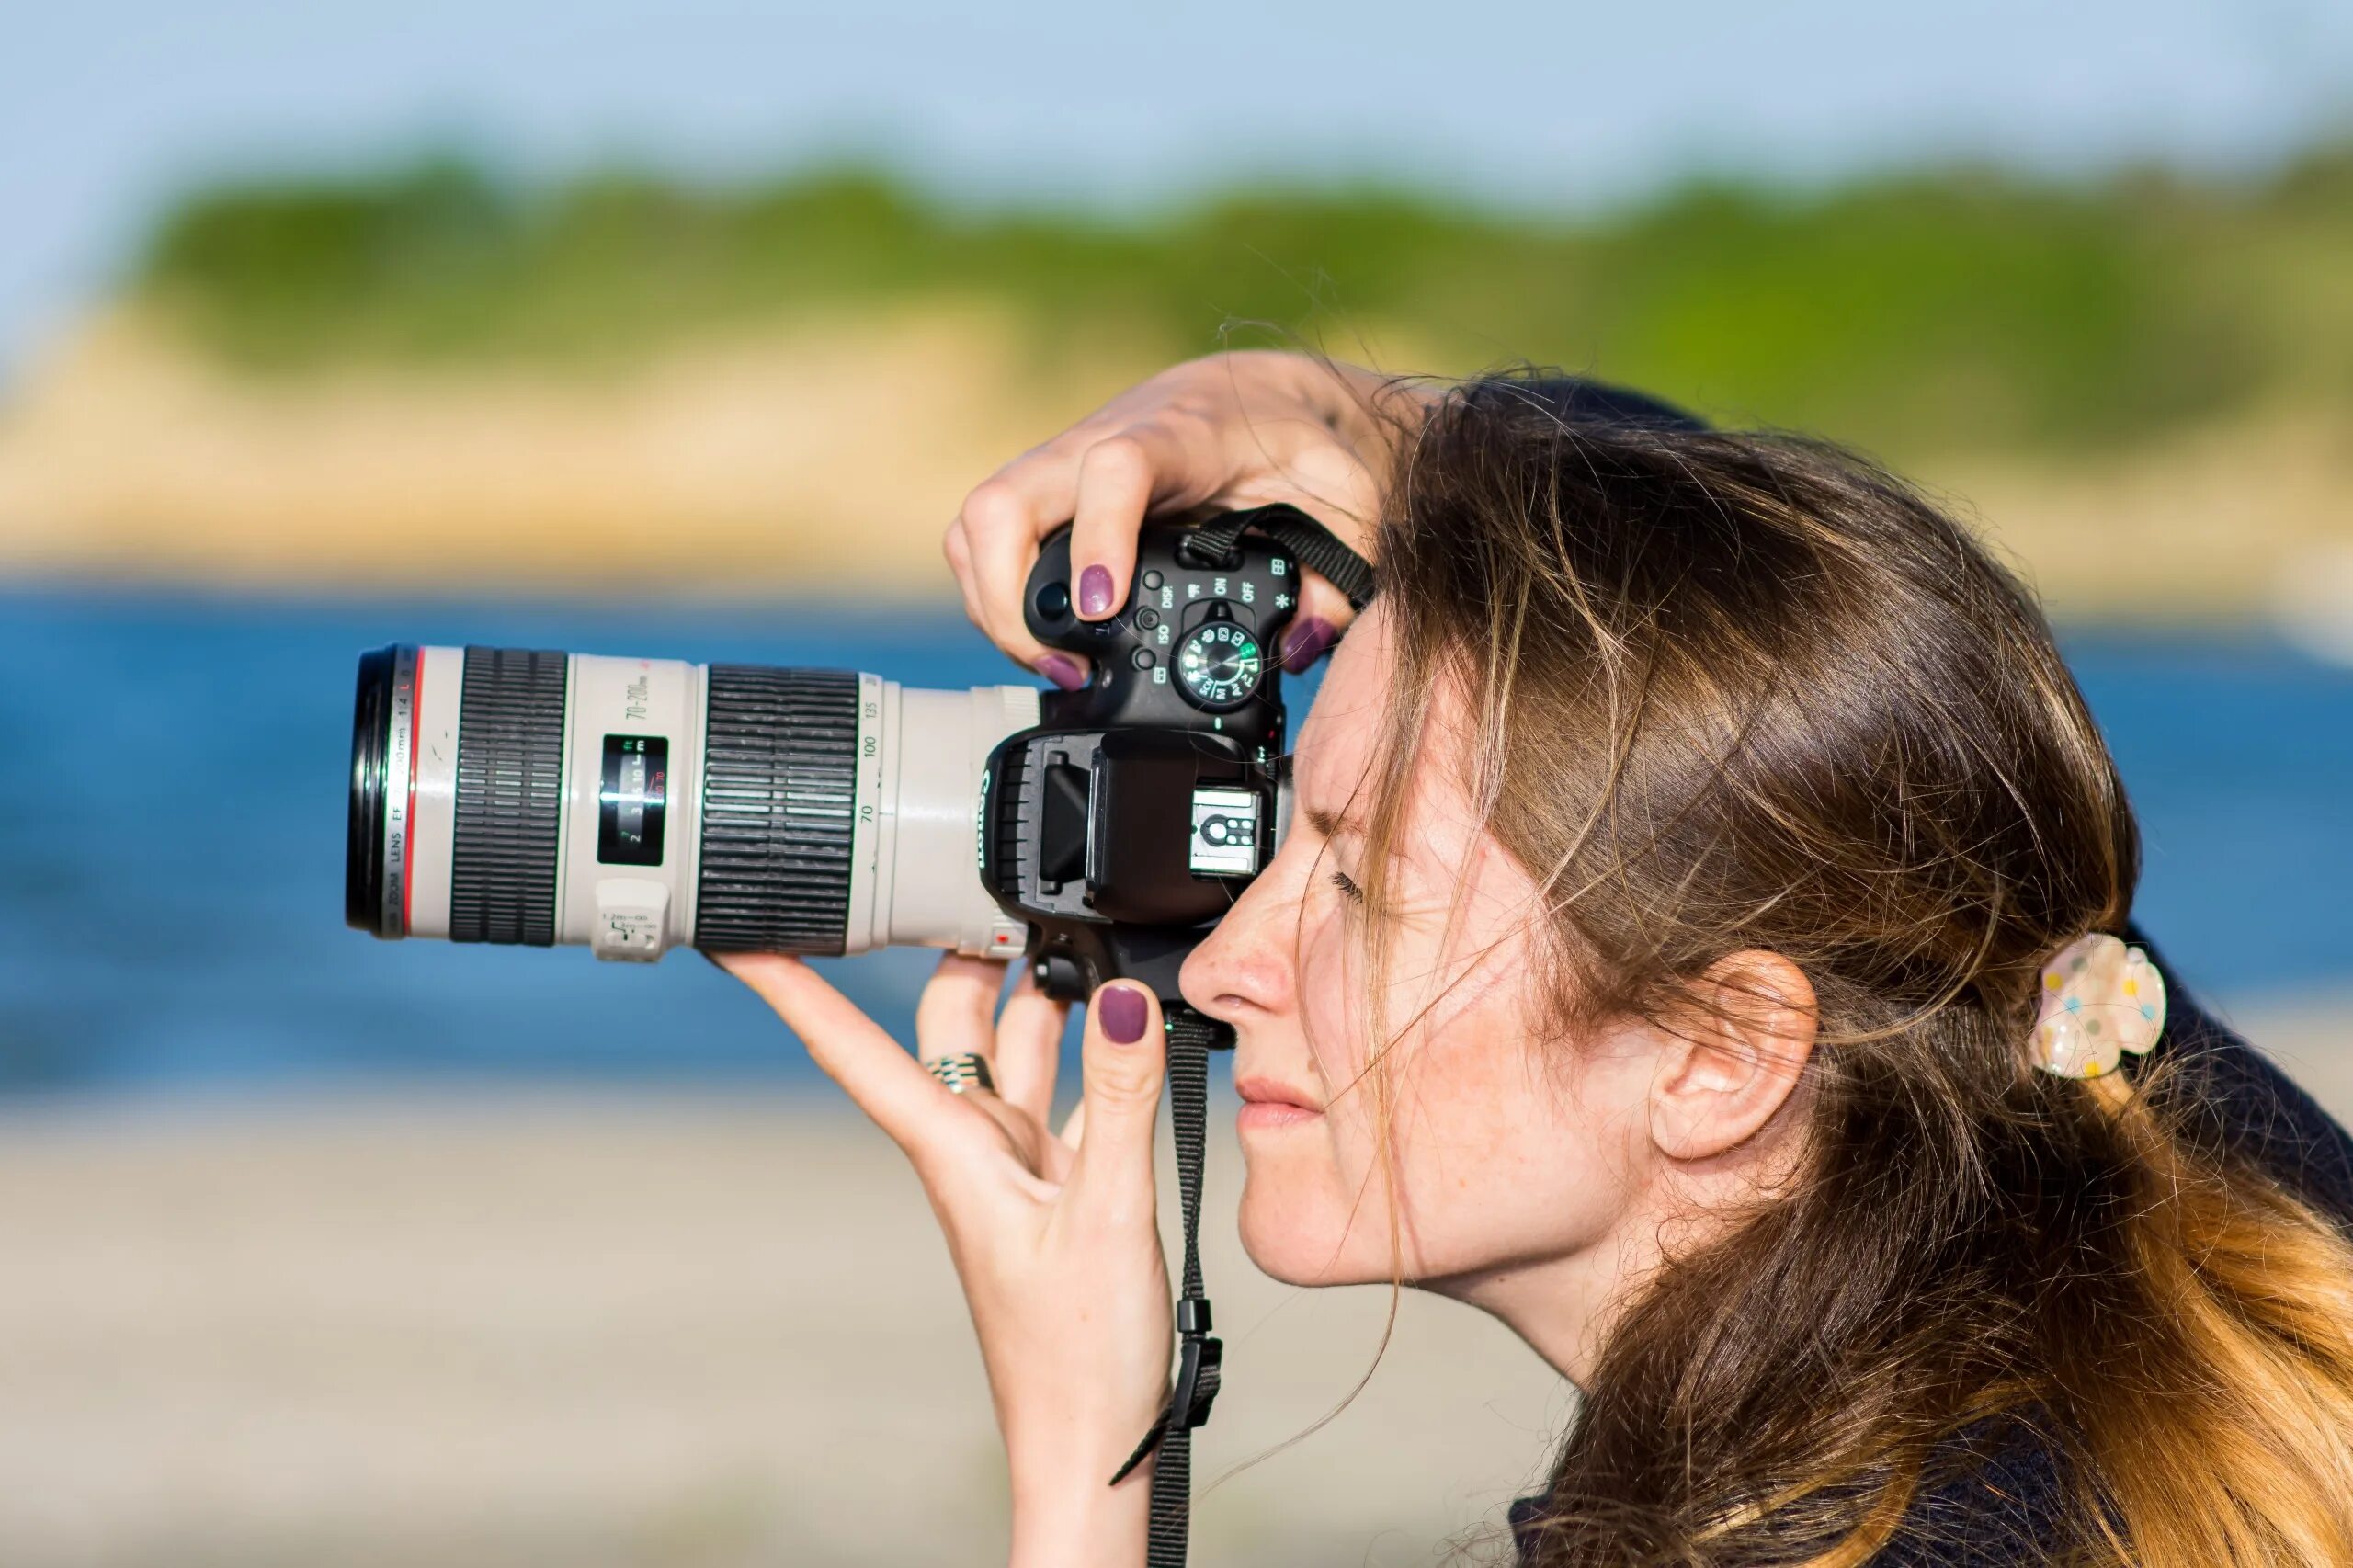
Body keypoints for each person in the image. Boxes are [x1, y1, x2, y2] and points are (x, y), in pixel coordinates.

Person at [719, 353, 2353, 1565]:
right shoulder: (2215, 1276)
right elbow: (1967, 846)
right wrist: (1372, 430)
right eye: (1287, 834)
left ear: (1720, 1052)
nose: (1221, 971)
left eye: (1355, 886)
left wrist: (1086, 1469)